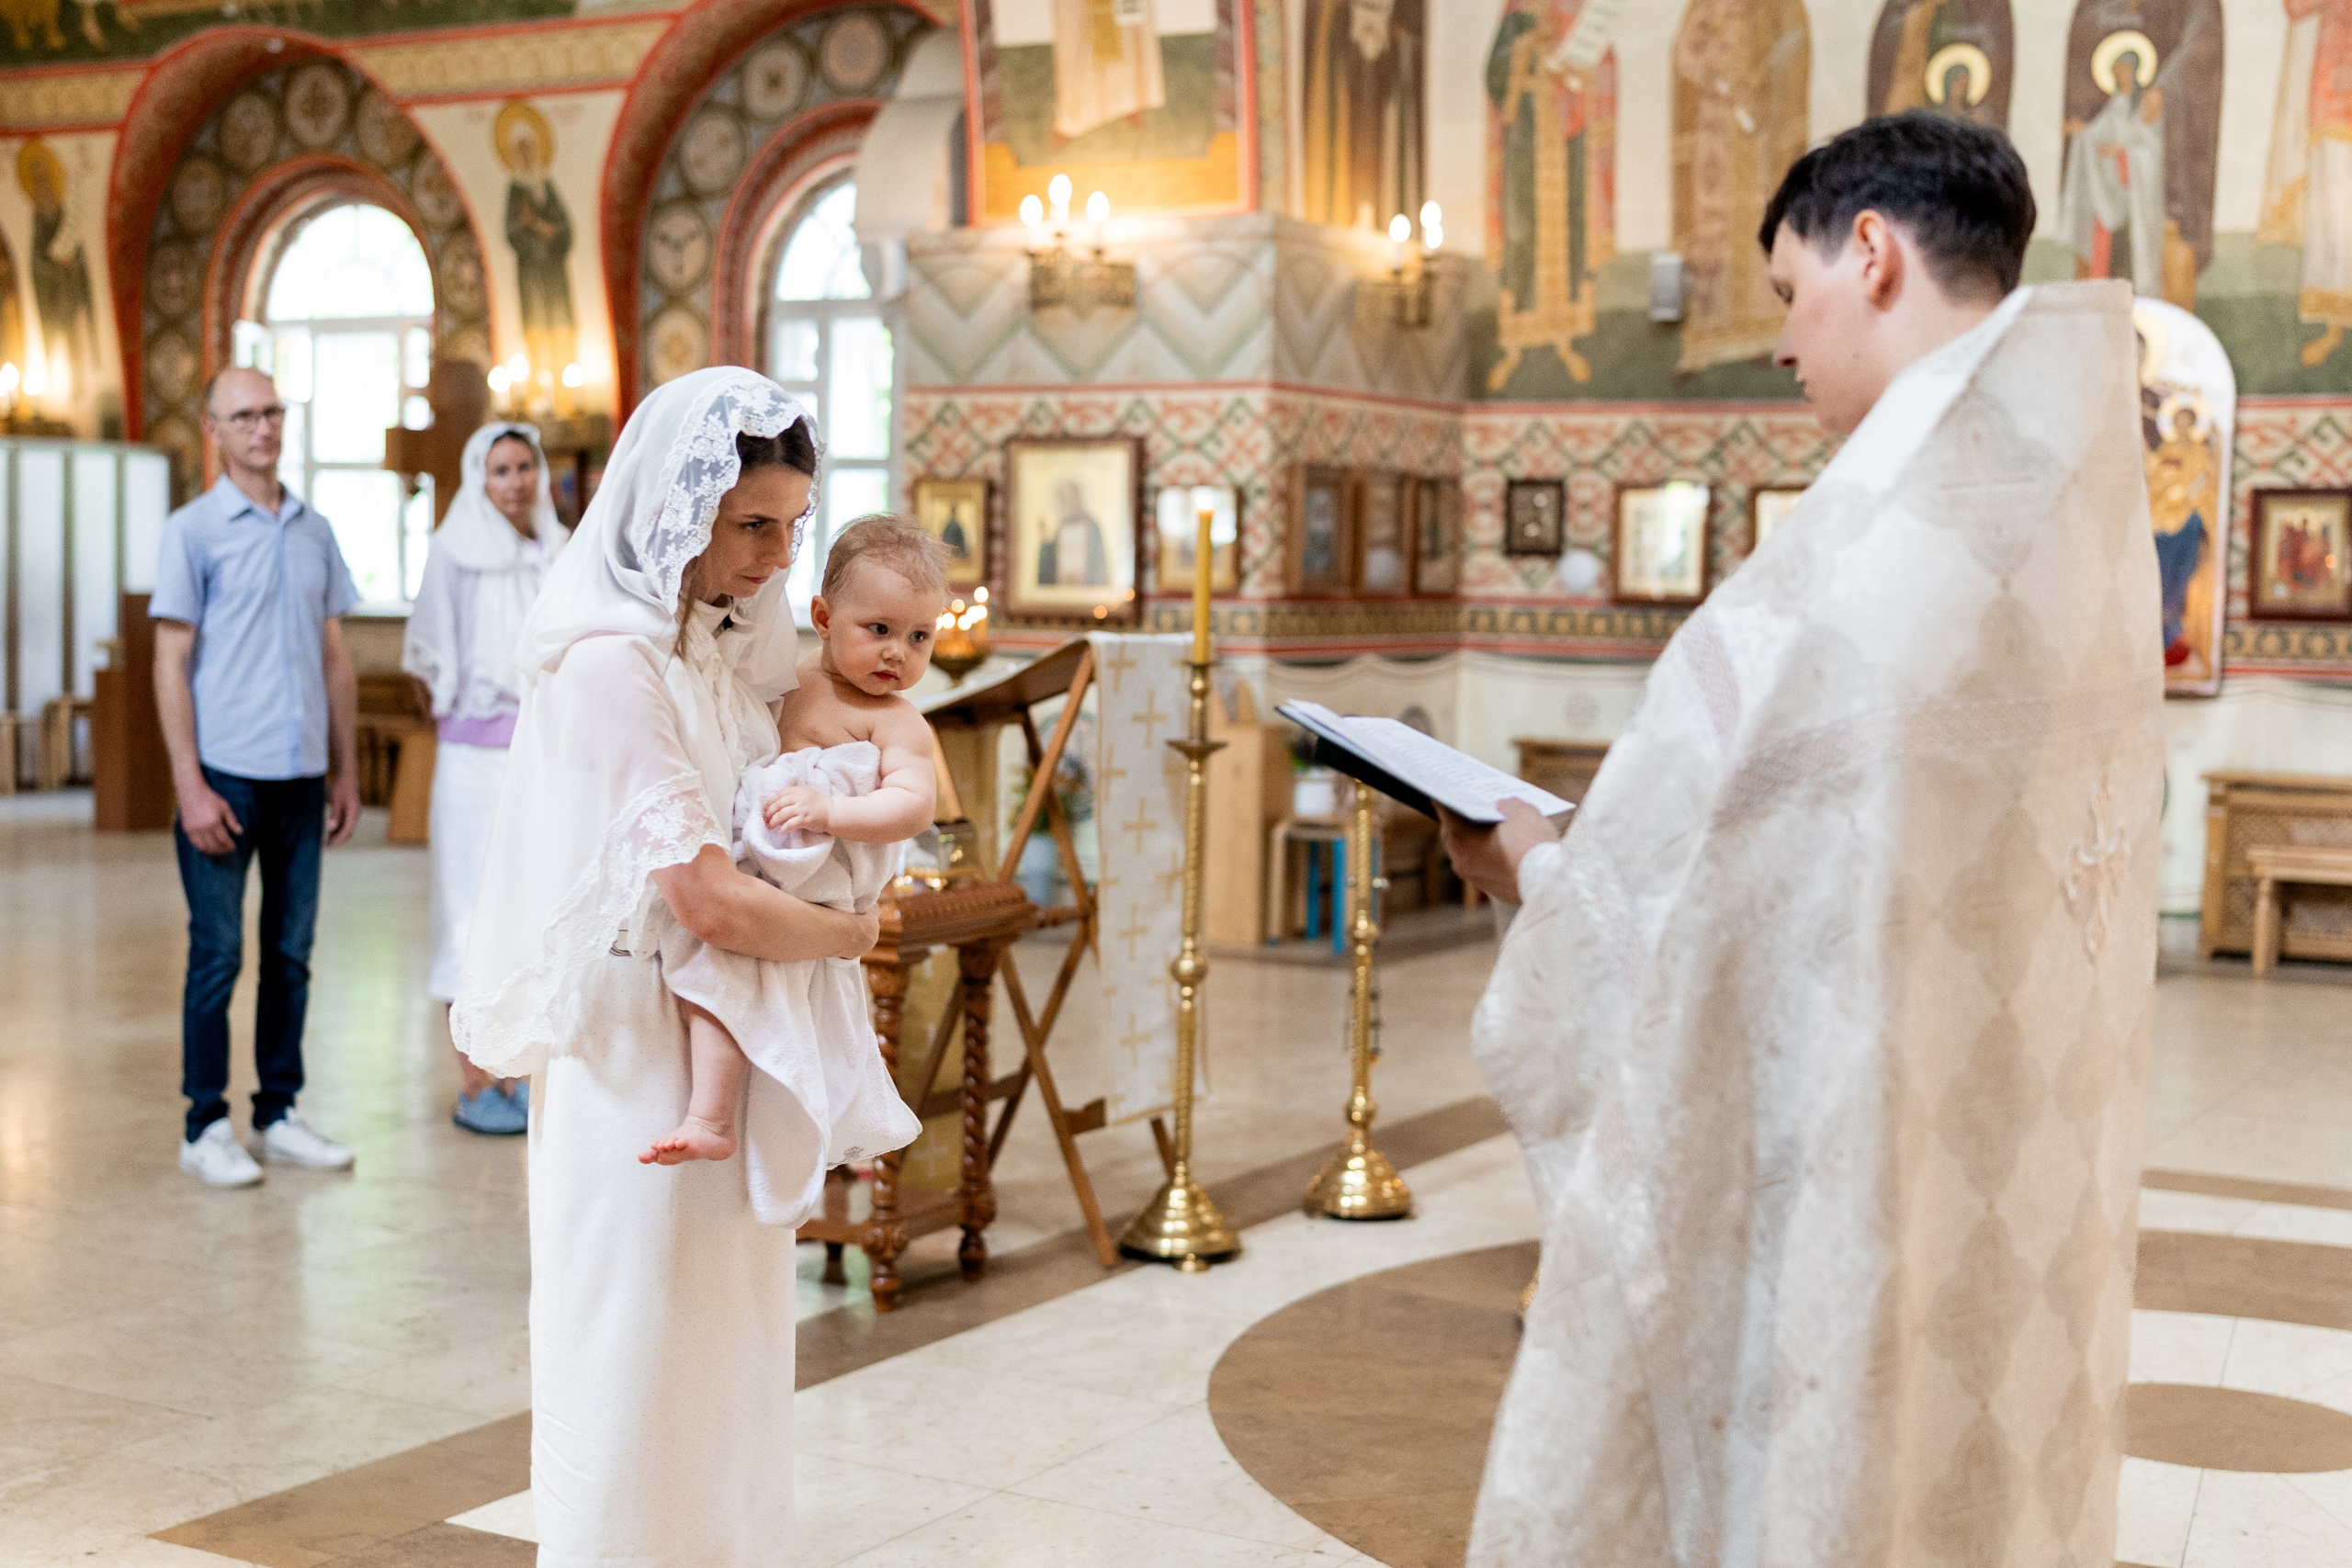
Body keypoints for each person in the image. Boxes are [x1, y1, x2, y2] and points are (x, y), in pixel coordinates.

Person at [1442, 112, 2164, 1565]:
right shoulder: (2072, 517)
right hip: (2004, 1158)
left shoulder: (1853, 564)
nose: (1784, 340)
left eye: (1789, 292)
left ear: (1876, 253)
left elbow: (1655, 936)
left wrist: (1525, 858)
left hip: (1849, 1162)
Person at [452, 367, 908, 1562]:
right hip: (634, 1047)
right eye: (752, 522)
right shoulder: (614, 661)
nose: (775, 556)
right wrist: (854, 933)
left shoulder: (722, 651)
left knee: (730, 1349)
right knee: (629, 1352)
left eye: (794, 526)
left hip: (724, 1030)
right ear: (678, 505)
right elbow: (707, 894)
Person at [642, 514, 943, 1170]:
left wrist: (833, 807)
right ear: (824, 616)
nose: (899, 651)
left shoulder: (898, 722)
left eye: (920, 636)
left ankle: (724, 1117)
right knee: (717, 975)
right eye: (880, 630)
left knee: (755, 982)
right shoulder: (791, 678)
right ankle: (721, 1114)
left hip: (819, 875)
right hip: (762, 858)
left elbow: (914, 803)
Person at [153, 367, 361, 1188]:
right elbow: (171, 664)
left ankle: (277, 1111)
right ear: (214, 429)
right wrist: (190, 785)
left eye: (272, 411)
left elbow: (334, 655)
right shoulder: (193, 531)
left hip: (302, 778)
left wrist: (345, 769)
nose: (263, 427)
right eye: (245, 415)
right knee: (217, 953)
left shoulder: (315, 530)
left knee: (291, 953)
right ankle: (204, 1122)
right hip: (224, 777)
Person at [401, 423, 570, 1136]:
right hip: (472, 761)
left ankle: (522, 1068)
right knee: (468, 914)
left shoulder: (556, 551)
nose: (515, 481)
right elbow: (428, 652)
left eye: (524, 466)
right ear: (479, 478)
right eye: (500, 469)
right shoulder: (453, 549)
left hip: (540, 755)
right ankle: (475, 1076)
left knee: (534, 908)